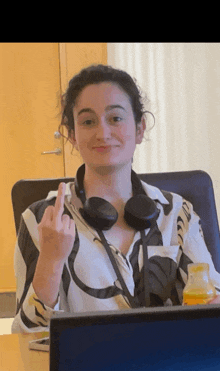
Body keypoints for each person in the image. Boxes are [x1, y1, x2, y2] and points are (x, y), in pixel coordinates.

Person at [11, 64, 220, 334]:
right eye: (88, 121)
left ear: (140, 128)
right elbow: (27, 339)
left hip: (168, 368)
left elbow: (212, 306)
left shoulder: (178, 213)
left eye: (115, 118)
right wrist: (51, 260)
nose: (102, 133)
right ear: (72, 135)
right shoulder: (43, 220)